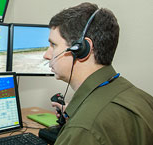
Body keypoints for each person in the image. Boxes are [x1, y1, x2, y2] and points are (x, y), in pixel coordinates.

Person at [43, 2, 153, 145]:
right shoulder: (143, 98)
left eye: (53, 45)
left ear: (82, 49)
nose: (46, 55)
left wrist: (81, 121)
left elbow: (91, 127)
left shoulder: (84, 128)